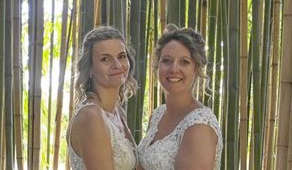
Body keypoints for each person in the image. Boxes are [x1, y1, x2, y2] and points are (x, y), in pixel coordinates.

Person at [137, 25, 222, 170]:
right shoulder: (158, 115)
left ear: (196, 69)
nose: (174, 69)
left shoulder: (199, 127)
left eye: (184, 62)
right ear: (157, 65)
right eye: (167, 60)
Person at [67, 26, 138, 170]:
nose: (117, 65)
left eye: (121, 56)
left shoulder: (117, 113)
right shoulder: (91, 116)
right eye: (105, 59)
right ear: (91, 68)